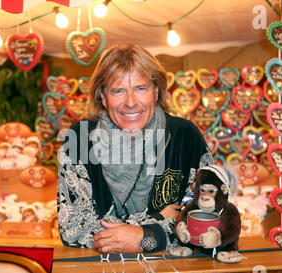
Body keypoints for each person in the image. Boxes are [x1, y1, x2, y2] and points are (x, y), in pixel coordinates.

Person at [57, 44, 213, 254]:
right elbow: (73, 231)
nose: (130, 102)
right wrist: (156, 222)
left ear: (156, 91)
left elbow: (209, 219)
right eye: (118, 91)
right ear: (102, 96)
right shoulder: (80, 138)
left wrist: (147, 237)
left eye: (141, 88)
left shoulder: (184, 136)